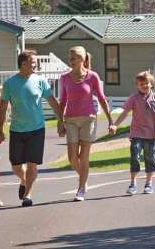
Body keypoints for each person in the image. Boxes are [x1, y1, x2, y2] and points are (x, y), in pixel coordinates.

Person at [0, 50, 62, 207]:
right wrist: (0, 128)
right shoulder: (10, 84)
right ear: (23, 64)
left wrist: (61, 120)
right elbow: (3, 107)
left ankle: (27, 194)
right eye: (33, 62)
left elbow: (53, 101)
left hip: (37, 128)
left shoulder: (41, 81)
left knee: (32, 163)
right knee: (16, 165)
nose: (36, 64)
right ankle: (23, 180)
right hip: (17, 129)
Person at [59, 46, 112, 201]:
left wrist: (110, 120)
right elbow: (63, 101)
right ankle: (84, 177)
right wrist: (59, 121)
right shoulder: (65, 78)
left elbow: (101, 99)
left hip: (89, 118)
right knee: (72, 158)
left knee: (84, 156)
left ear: (82, 59)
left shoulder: (92, 76)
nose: (71, 60)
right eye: (70, 58)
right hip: (70, 120)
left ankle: (81, 188)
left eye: (74, 58)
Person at [109, 71, 155, 195]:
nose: (144, 86)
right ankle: (133, 184)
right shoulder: (134, 98)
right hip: (136, 134)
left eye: (146, 83)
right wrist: (115, 125)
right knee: (135, 158)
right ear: (137, 85)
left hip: (151, 134)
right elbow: (124, 112)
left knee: (150, 159)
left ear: (151, 84)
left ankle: (148, 184)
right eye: (140, 84)